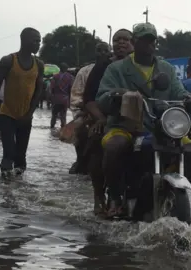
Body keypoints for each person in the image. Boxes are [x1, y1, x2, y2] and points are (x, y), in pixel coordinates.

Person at [96, 23, 191, 217]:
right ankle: (114, 197)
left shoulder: (166, 69)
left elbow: (178, 92)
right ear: (135, 42)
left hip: (160, 127)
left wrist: (190, 98)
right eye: (144, 40)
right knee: (115, 146)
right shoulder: (117, 69)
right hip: (124, 126)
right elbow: (102, 98)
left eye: (151, 40)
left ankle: (174, 190)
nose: (148, 44)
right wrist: (117, 95)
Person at [81, 29, 134, 215]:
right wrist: (101, 118)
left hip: (138, 120)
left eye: (125, 39)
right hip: (105, 117)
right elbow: (88, 99)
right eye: (117, 40)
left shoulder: (140, 66)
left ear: (133, 42)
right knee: (97, 142)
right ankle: (100, 196)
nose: (121, 43)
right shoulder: (103, 66)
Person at [0, 27, 44, 178]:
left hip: (25, 117)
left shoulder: (39, 65)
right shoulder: (8, 61)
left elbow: (38, 91)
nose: (38, 44)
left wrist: (29, 114)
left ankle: (16, 192)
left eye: (39, 41)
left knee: (21, 159)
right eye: (35, 41)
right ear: (24, 40)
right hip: (7, 114)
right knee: (8, 154)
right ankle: (5, 191)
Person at [68, 42, 111, 175]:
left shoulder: (113, 69)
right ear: (95, 52)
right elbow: (76, 95)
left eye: (105, 50)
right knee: (80, 131)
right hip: (86, 112)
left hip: (108, 112)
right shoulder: (84, 71)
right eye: (99, 50)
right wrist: (87, 110)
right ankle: (80, 161)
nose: (102, 53)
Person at [49, 63, 74, 129]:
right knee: (63, 116)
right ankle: (63, 130)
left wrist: (50, 98)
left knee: (54, 115)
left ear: (60, 68)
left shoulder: (55, 76)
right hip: (65, 99)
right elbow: (71, 89)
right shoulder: (70, 77)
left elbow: (51, 88)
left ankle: (51, 130)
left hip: (56, 99)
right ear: (66, 69)